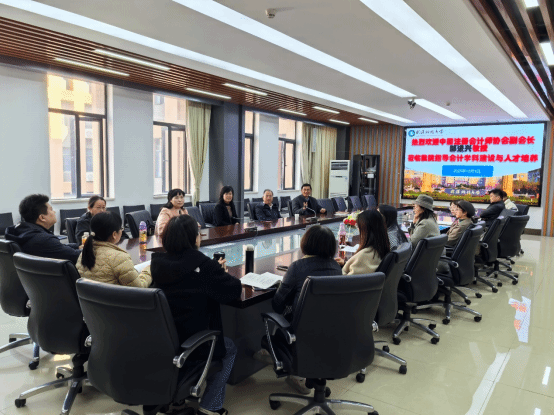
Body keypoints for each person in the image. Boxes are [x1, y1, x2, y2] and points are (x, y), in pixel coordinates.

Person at [150, 215, 242, 416]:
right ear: (193, 239)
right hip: (195, 343)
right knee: (229, 348)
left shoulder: (157, 264)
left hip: (163, 342)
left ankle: (178, 399)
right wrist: (221, 273)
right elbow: (234, 290)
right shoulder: (203, 265)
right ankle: (211, 406)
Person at [267, 225, 342, 394]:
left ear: (305, 244)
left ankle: (281, 362)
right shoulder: (336, 267)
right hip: (332, 336)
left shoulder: (297, 267)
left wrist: (283, 286)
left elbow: (277, 306)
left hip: (300, 337)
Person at [76, 212, 152, 287]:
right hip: (116, 295)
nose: (122, 231)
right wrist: (149, 270)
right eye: (121, 228)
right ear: (114, 234)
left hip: (92, 295)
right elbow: (139, 288)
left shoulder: (84, 254)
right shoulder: (120, 258)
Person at [5, 194, 81, 264]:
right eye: (51, 209)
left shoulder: (21, 232)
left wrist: (77, 246)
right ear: (42, 217)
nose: (54, 212)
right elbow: (76, 256)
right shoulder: (43, 239)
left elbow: (58, 247)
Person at [335, 210, 390, 275]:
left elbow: (349, 280)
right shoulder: (382, 248)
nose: (358, 230)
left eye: (359, 227)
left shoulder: (364, 255)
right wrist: (346, 263)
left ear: (365, 230)